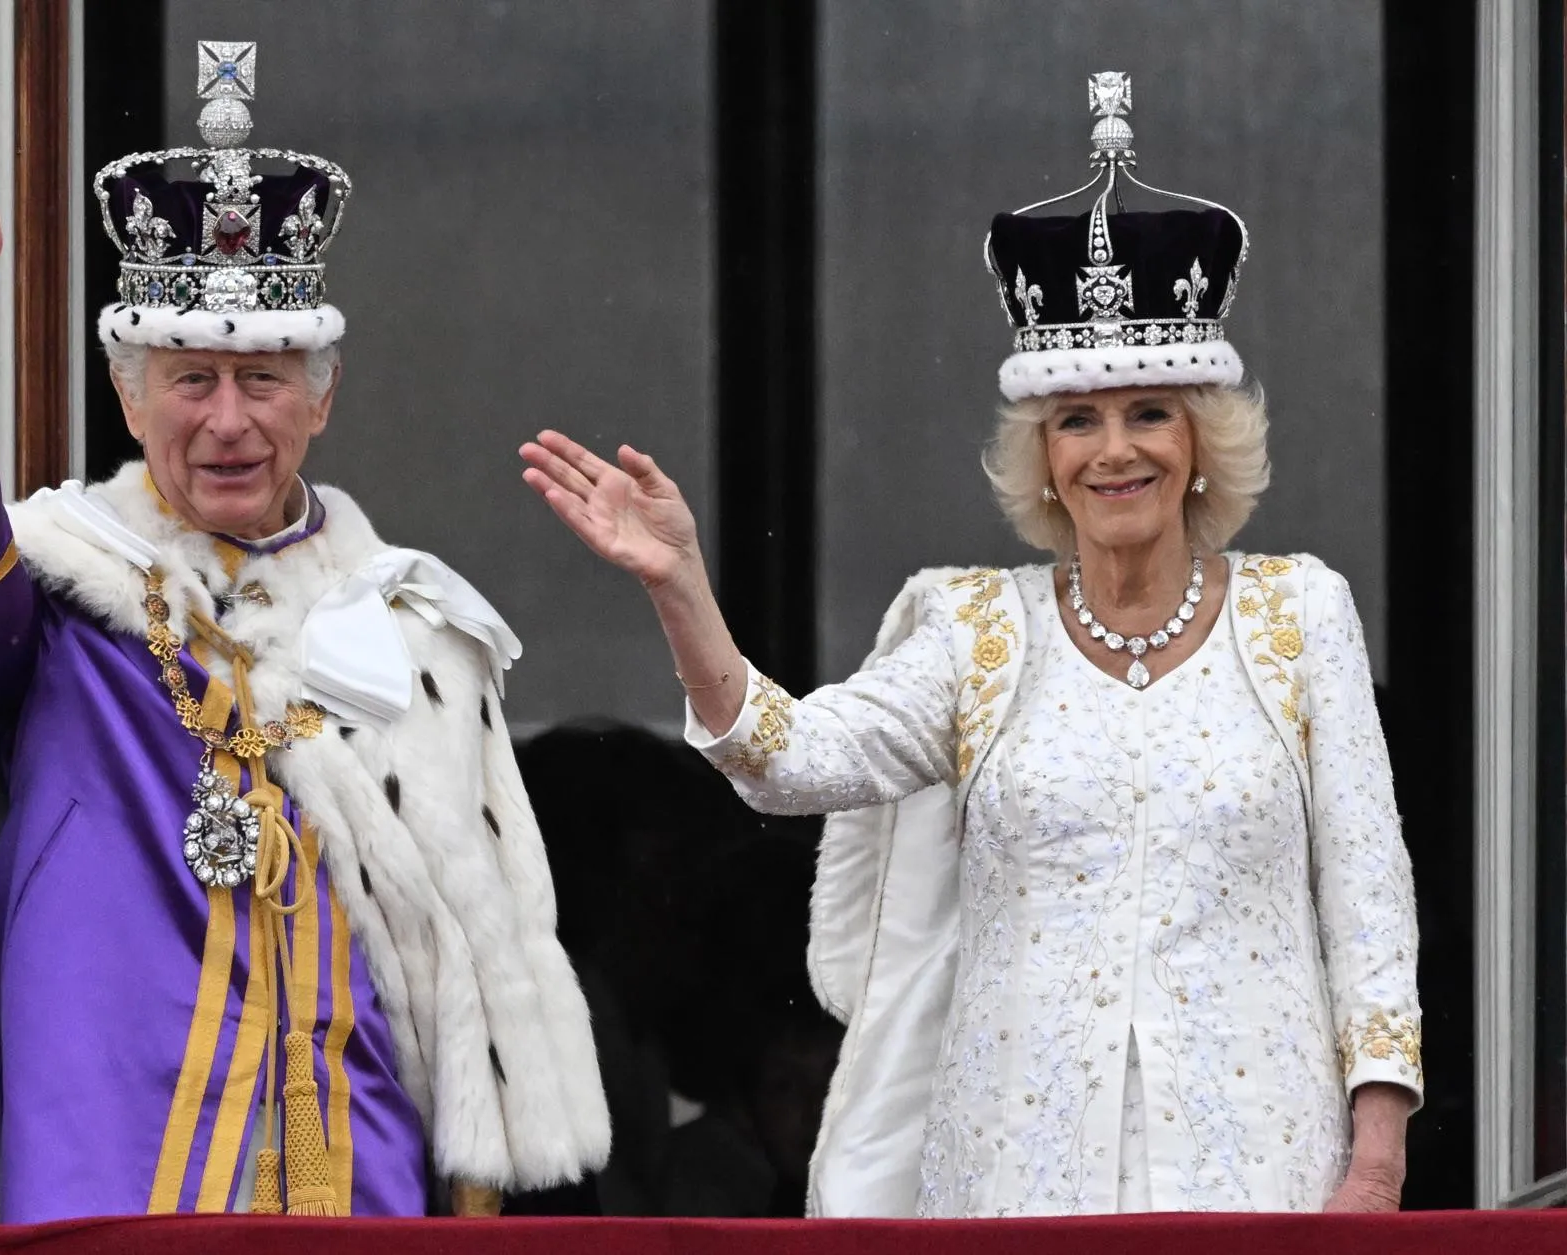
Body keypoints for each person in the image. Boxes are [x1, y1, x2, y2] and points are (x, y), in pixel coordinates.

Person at [521, 71, 1420, 1218]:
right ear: (1043, 456)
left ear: (1202, 440)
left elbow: (1369, 899)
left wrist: (1376, 1158)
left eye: (1150, 412)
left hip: (1259, 1169)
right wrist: (681, 584)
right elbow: (788, 759)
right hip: (1014, 1178)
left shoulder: (1300, 615)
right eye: (1078, 421)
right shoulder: (975, 631)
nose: (1115, 451)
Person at [0, 38, 607, 1223]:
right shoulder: (67, 592)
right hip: (108, 1159)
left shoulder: (416, 629)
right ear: (128, 393)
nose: (227, 421)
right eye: (189, 378)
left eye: (263, 379)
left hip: (345, 1158)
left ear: (323, 397)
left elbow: (466, 972)